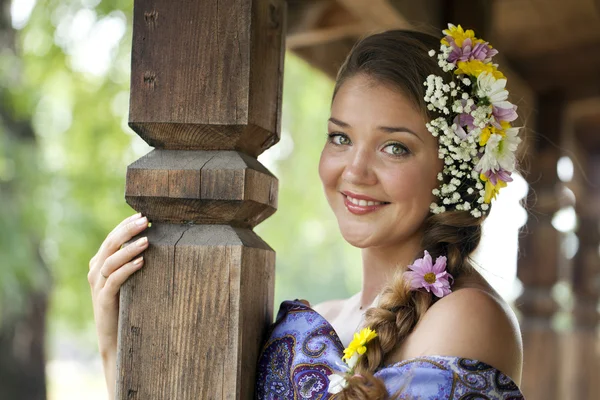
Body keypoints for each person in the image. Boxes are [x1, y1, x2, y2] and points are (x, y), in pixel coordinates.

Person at [89, 24, 525, 399]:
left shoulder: (465, 317)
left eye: (395, 147)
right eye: (340, 138)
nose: (354, 170)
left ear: (454, 171)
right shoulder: (331, 315)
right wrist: (114, 344)